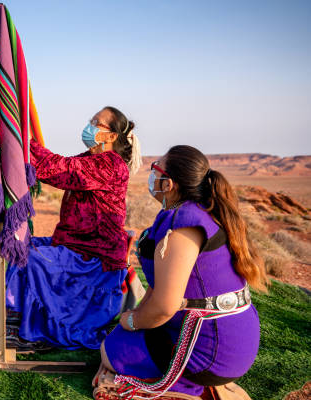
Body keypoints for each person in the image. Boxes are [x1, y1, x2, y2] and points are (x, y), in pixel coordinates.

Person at [93, 145, 268, 399]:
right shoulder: (200, 211)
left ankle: (185, 383)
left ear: (169, 184)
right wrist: (139, 315)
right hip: (230, 337)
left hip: (214, 351)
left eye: (156, 169)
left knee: (110, 350)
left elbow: (165, 306)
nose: (152, 176)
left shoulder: (184, 225)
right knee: (130, 332)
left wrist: (131, 321)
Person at [4, 106, 143, 350]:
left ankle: (23, 325)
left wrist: (18, 138)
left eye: (96, 122)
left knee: (29, 257)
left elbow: (58, 169)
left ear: (111, 136)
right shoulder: (90, 159)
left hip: (93, 257)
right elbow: (55, 166)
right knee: (18, 244)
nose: (89, 125)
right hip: (75, 243)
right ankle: (16, 317)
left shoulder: (110, 164)